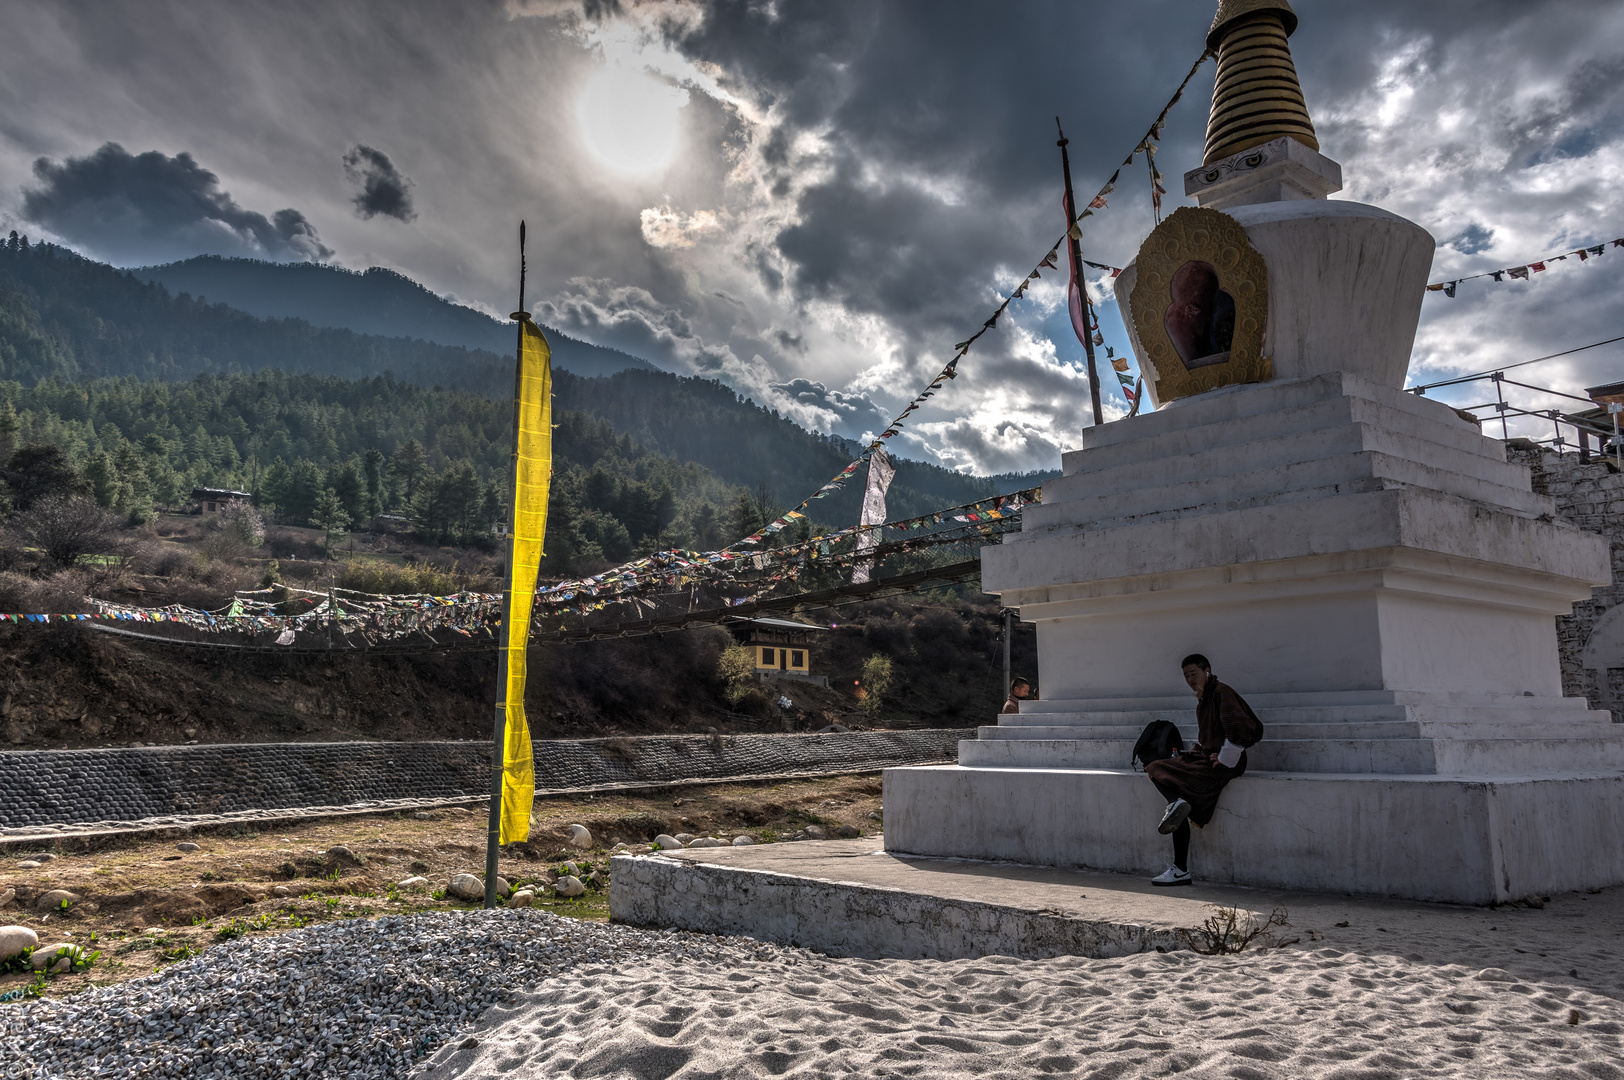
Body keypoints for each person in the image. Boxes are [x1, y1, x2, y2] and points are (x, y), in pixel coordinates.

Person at [1142, 653, 1263, 887]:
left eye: (1193, 673)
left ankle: (1180, 868)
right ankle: (1177, 811)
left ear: (1207, 670)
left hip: (1227, 762)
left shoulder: (1221, 693)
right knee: (1157, 769)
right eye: (1186, 675)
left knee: (1178, 794)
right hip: (1208, 757)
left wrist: (1225, 756)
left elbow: (1241, 729)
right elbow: (1209, 737)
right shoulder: (1204, 698)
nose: (1189, 679)